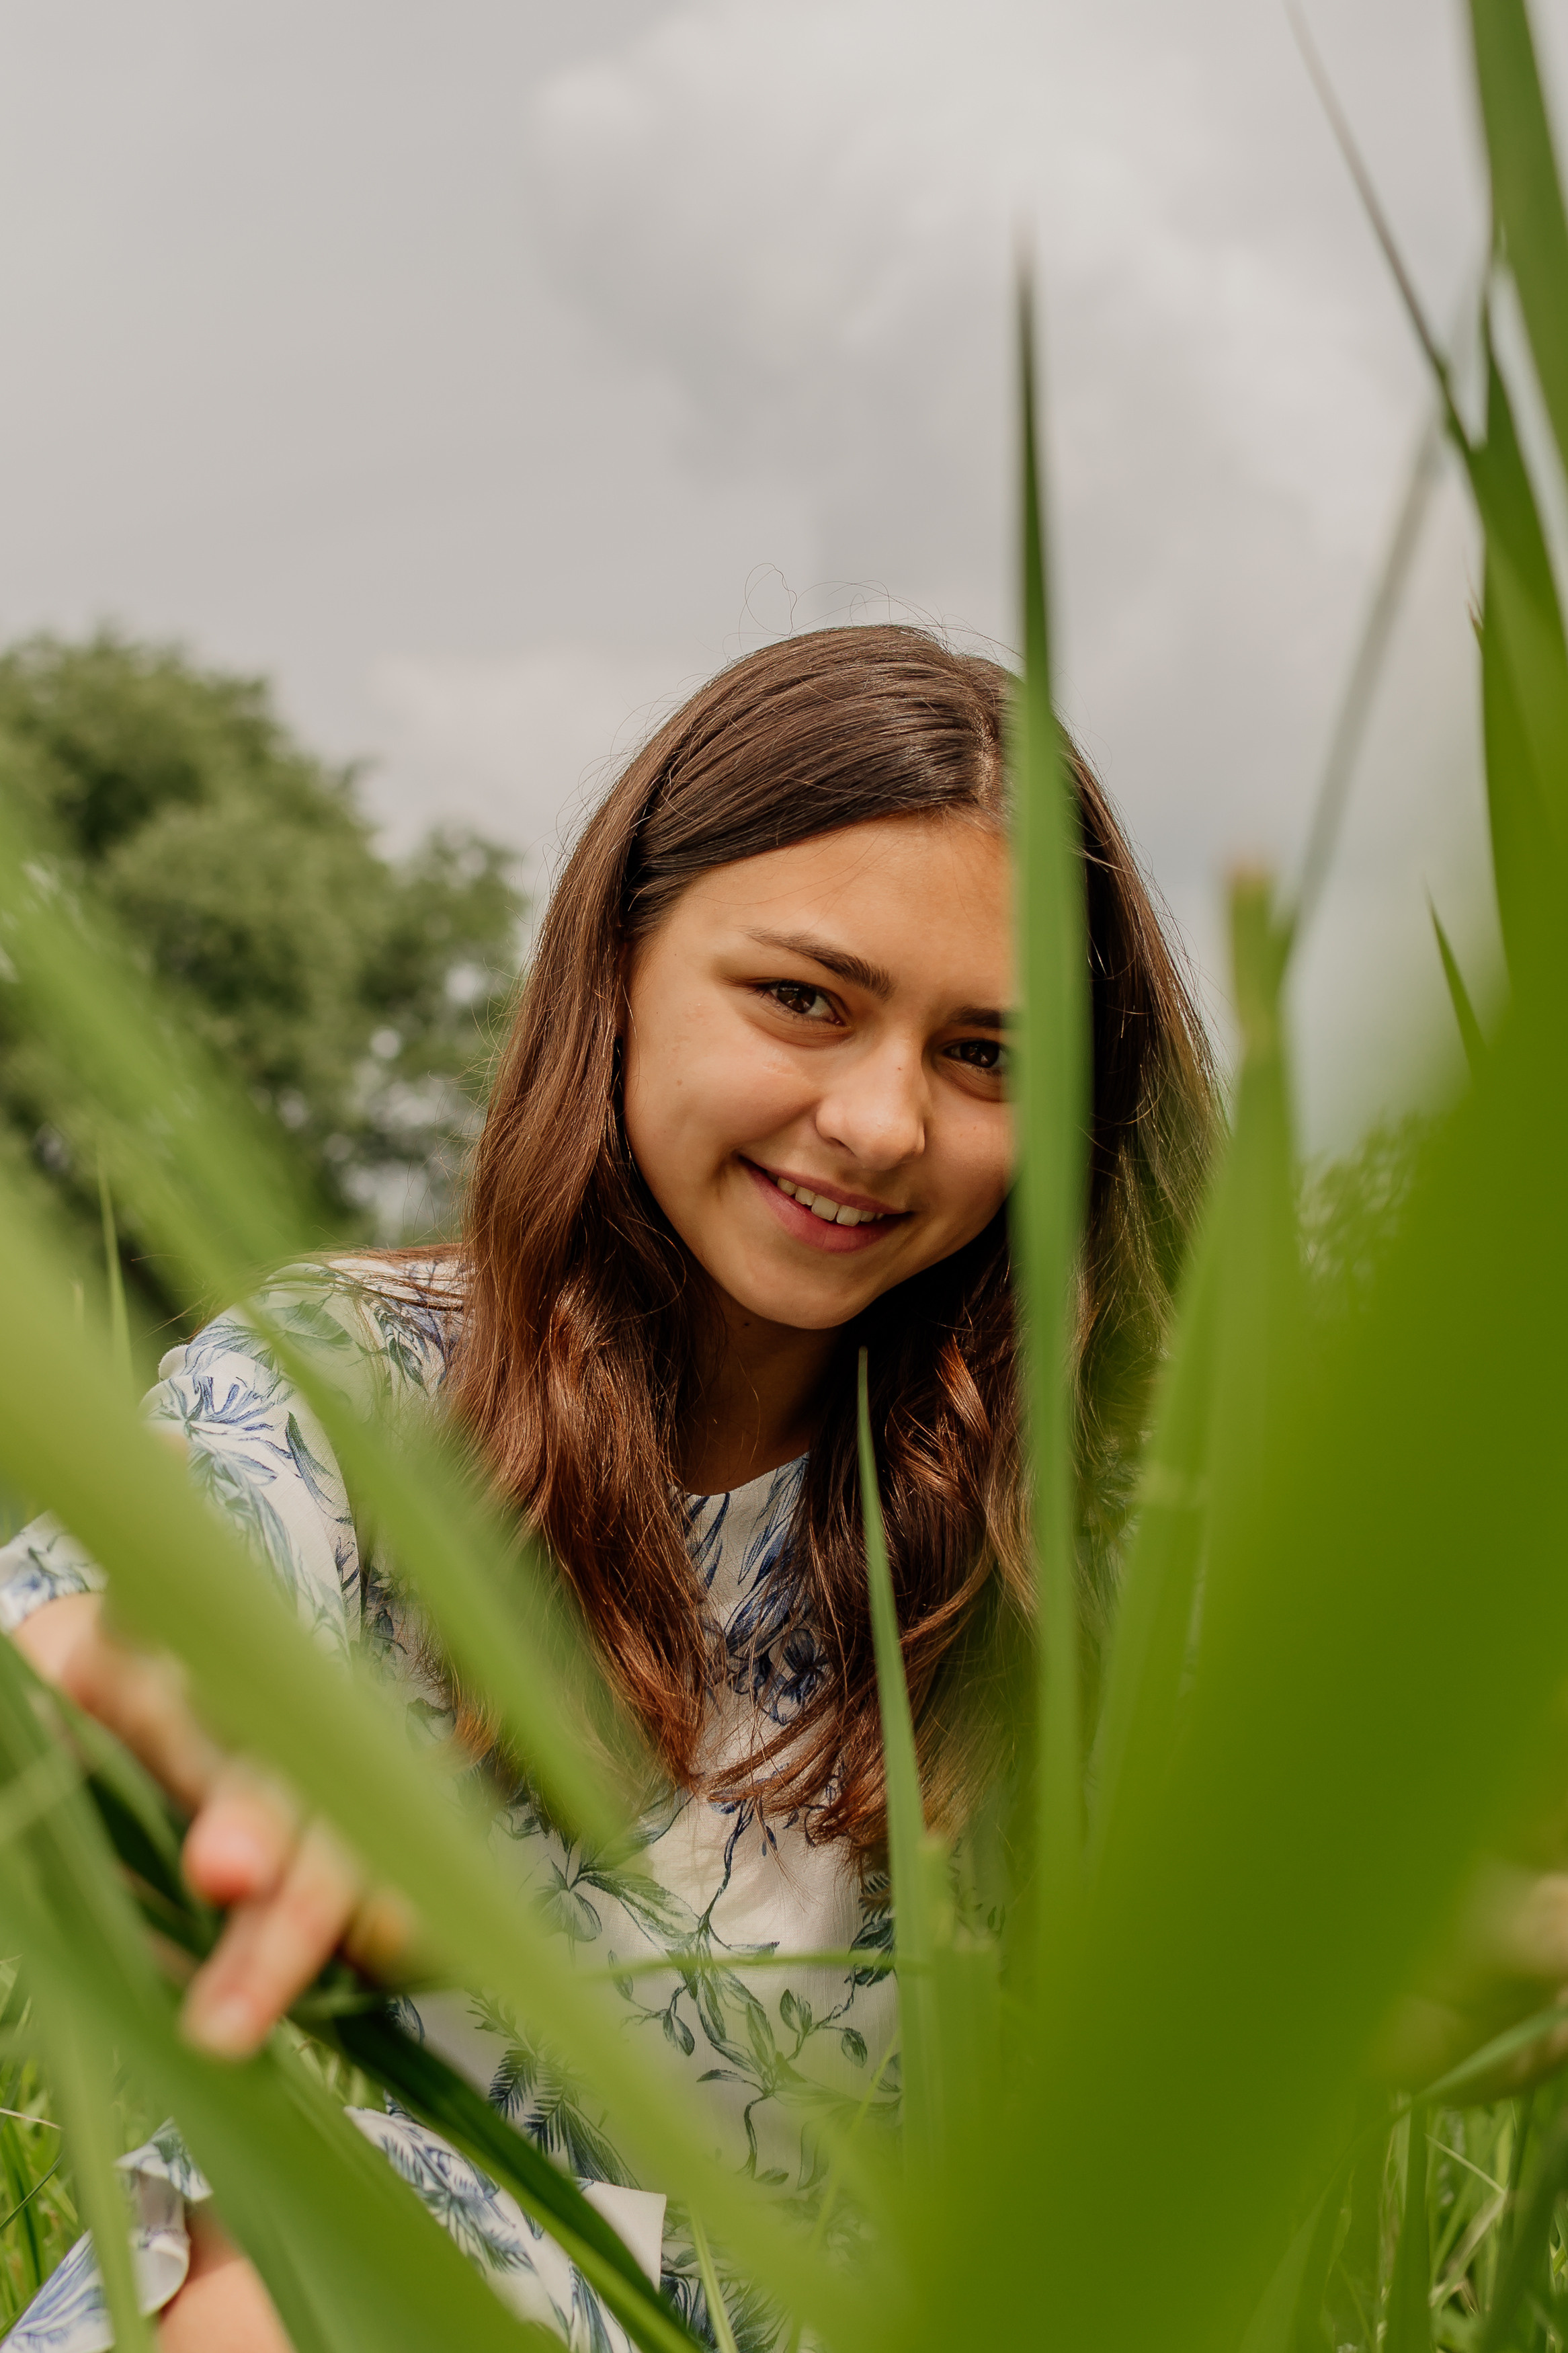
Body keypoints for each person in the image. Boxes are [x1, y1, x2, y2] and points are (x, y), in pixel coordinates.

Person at [0, 626, 1215, 2351]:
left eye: (989, 1057)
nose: (879, 1122)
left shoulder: (1064, 1569)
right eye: (806, 997)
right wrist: (122, 1718)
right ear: (620, 967)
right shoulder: (348, 1391)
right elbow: (98, 1639)